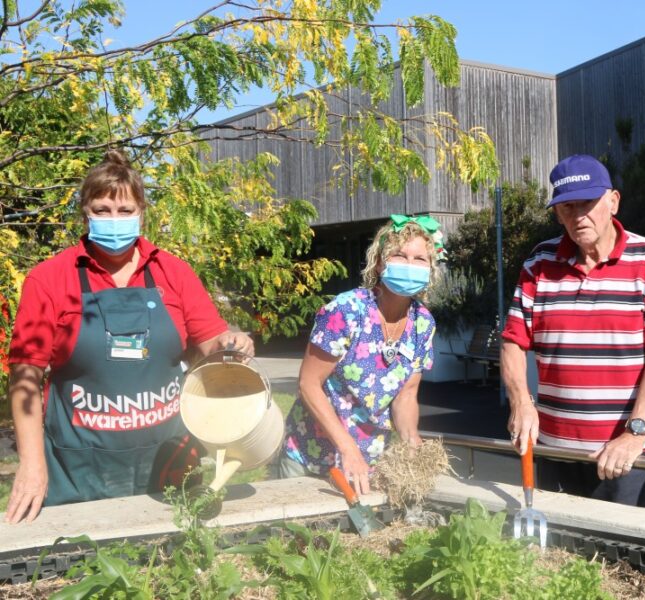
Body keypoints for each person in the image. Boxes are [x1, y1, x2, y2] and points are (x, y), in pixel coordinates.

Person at [3, 150, 254, 524]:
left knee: (170, 554)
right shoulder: (50, 279)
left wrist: (232, 343)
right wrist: (31, 463)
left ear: (142, 213)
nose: (114, 219)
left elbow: (210, 343)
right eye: (102, 210)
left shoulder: (174, 273)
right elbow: (25, 376)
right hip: (80, 467)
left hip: (169, 460)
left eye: (125, 210)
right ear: (85, 213)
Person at [501, 154, 645, 508]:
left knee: (632, 546)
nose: (577, 215)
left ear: (613, 201)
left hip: (628, 458)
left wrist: (635, 433)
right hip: (555, 452)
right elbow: (512, 340)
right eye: (567, 207)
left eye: (587, 203)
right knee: (560, 543)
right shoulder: (538, 262)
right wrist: (521, 402)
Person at [278, 214, 441, 495]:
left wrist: (410, 441)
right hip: (311, 457)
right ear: (379, 262)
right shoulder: (347, 311)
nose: (409, 265)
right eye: (400, 256)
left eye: (419, 259)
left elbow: (406, 396)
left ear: (430, 268)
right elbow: (308, 384)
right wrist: (348, 449)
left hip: (368, 464)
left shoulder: (423, 324)